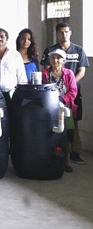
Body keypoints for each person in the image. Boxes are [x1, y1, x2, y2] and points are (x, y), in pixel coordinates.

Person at [41, 22, 89, 164]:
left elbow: (82, 70)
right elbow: (45, 70)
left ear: (70, 32)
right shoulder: (50, 50)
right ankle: (53, 150)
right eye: (61, 32)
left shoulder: (79, 50)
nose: (64, 35)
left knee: (73, 124)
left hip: (72, 94)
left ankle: (74, 153)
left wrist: (70, 82)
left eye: (66, 32)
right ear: (57, 34)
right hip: (51, 97)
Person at [42, 49, 78, 173]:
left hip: (65, 109)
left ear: (64, 60)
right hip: (49, 110)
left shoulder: (69, 74)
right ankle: (49, 160)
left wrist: (61, 100)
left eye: (58, 58)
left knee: (66, 137)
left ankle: (66, 162)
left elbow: (73, 91)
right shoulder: (45, 73)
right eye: (53, 58)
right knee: (49, 135)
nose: (56, 60)